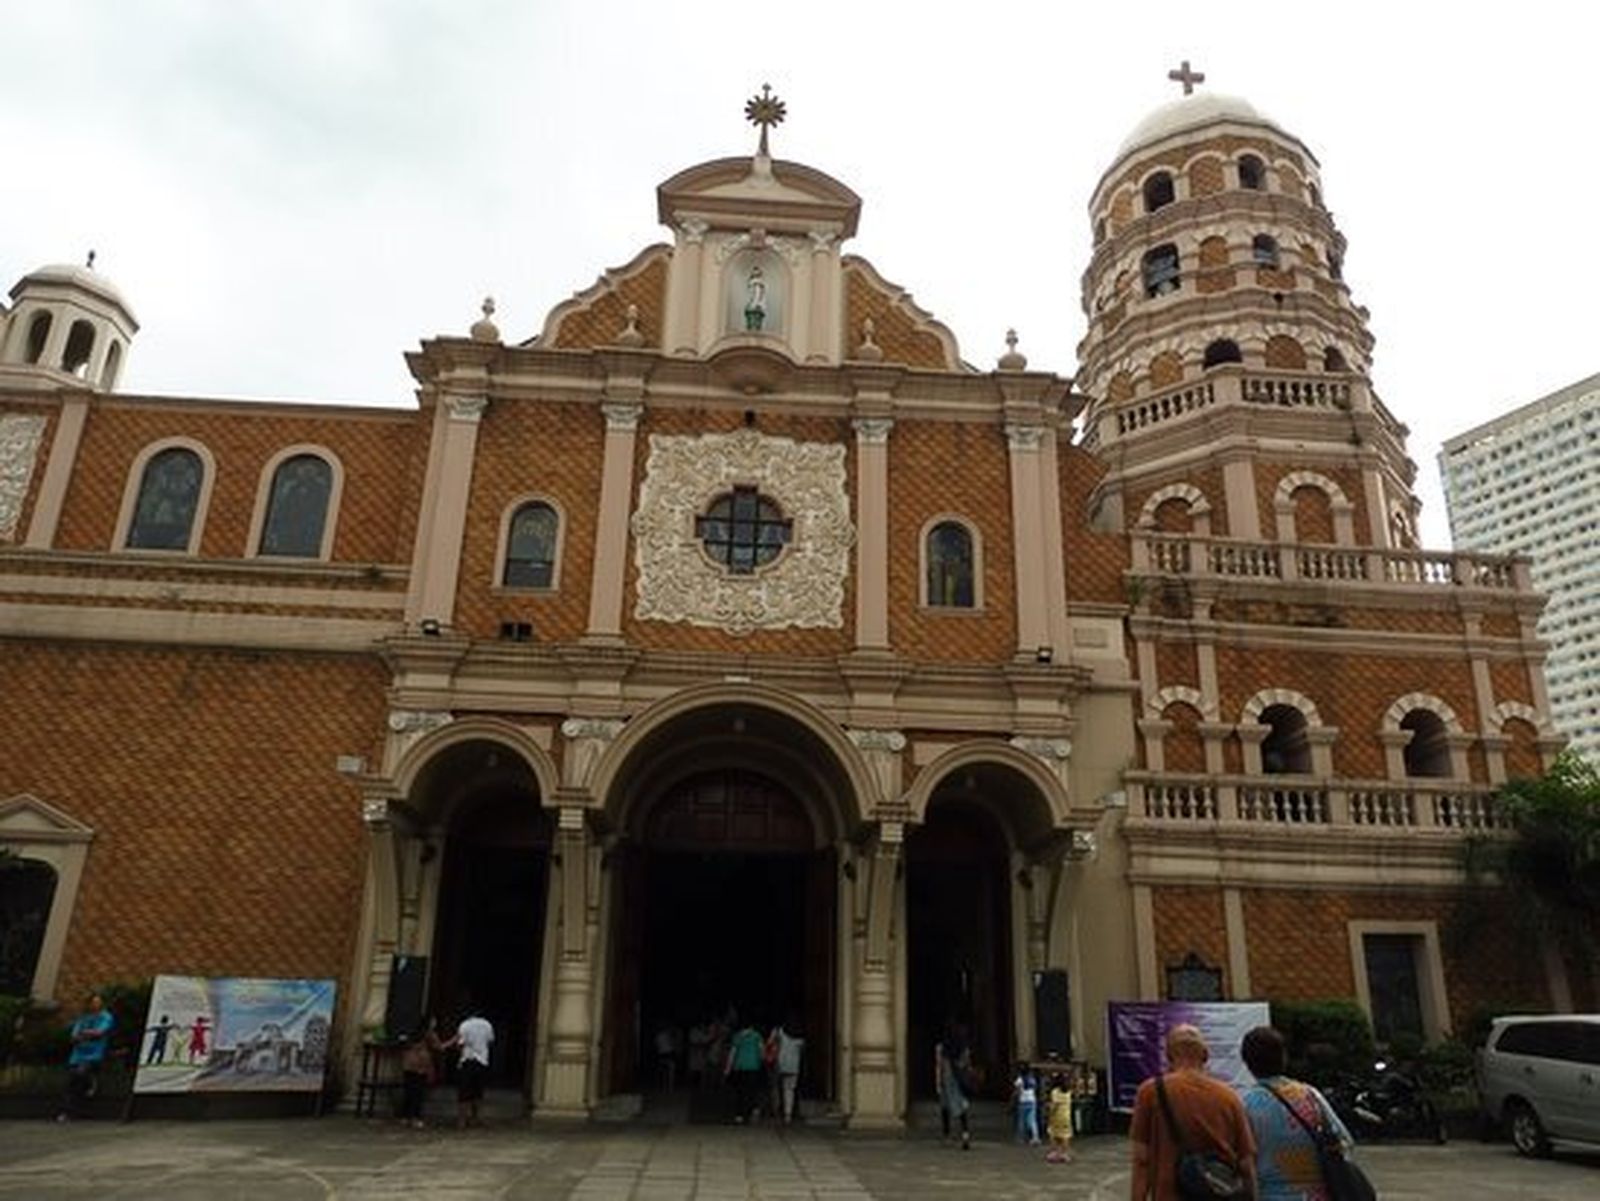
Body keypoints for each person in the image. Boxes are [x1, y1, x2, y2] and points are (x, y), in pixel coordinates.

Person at [1129, 1023, 1257, 1201]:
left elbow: (1142, 1160)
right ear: (1205, 1056)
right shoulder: (1230, 1097)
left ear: (1168, 1056)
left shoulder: (1150, 1092)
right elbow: (1246, 1164)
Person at [1239, 1025, 1356, 1200]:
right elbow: (1345, 1141)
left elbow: (1243, 1161)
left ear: (1247, 1063)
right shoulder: (1311, 1096)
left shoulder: (1245, 1105)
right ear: (1283, 1058)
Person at [60, 993, 114, 1121]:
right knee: (71, 1082)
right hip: (77, 1055)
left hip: (94, 1054)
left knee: (81, 1073)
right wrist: (84, 1035)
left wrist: (84, 1034)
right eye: (93, 1002)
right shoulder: (83, 1018)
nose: (95, 1004)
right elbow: (74, 1037)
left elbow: (100, 1032)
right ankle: (68, 1111)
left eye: (98, 1002)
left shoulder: (105, 1017)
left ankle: (91, 1082)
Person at [449, 1005, 494, 1129]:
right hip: (482, 1061)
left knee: (464, 1091)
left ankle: (462, 1120)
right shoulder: (487, 1024)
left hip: (467, 1060)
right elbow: (490, 1041)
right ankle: (476, 1118)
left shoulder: (465, 1025)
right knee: (478, 1091)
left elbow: (460, 1044)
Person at [399, 1015, 444, 1129]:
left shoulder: (413, 1034)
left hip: (409, 1064)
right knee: (418, 1093)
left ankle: (405, 1117)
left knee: (409, 1092)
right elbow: (439, 1047)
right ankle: (415, 1118)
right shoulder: (430, 1034)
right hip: (421, 1066)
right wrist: (452, 1041)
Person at [934, 1022, 973, 1150]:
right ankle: (965, 1134)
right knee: (962, 1108)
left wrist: (938, 1084)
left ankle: (946, 1135)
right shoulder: (963, 1048)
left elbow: (939, 1067)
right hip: (959, 1081)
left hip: (947, 1081)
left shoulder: (941, 1048)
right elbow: (967, 1065)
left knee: (945, 1108)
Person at [724, 1017, 765, 1124]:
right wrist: (762, 1062)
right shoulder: (757, 1036)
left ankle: (739, 1115)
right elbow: (762, 1052)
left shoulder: (737, 1036)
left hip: (739, 1067)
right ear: (751, 1026)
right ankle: (754, 1110)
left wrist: (727, 1068)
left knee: (740, 1091)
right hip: (754, 1067)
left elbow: (732, 1054)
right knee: (752, 1090)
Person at [769, 1019, 805, 1124]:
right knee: (789, 1090)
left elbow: (770, 1043)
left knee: (775, 1087)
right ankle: (787, 1114)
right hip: (794, 1066)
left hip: (780, 1064)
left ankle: (776, 1109)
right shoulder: (800, 1038)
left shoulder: (779, 1032)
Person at [1046, 1071, 1075, 1162]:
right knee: (1065, 1135)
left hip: (1057, 1116)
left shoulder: (1055, 1092)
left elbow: (1054, 1105)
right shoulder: (1068, 1092)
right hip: (1066, 1115)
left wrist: (1049, 1113)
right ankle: (1064, 1154)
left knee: (1054, 1134)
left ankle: (1055, 1153)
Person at [1012, 1062, 1040, 1145]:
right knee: (1032, 1120)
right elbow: (1035, 1088)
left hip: (1023, 1101)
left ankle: (1021, 1138)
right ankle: (1035, 1137)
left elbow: (1018, 1091)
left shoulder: (1019, 1080)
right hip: (1032, 1101)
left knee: (1021, 1121)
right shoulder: (1032, 1079)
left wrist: (1014, 1098)